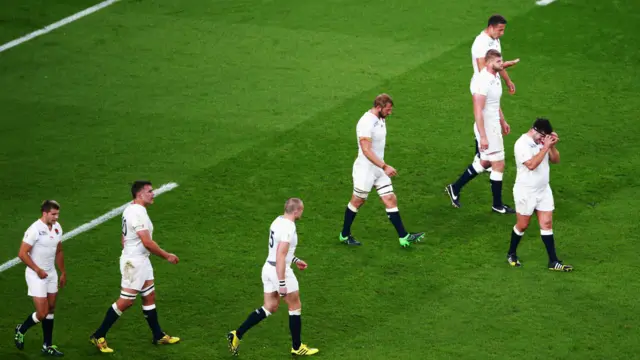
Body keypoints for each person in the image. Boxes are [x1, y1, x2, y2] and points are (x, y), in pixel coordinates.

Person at [89, 180, 180, 353]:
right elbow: (147, 242)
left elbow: (124, 238)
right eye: (150, 191)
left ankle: (158, 335)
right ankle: (98, 335)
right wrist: (167, 255)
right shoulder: (138, 213)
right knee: (127, 301)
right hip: (135, 262)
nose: (153, 194)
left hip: (140, 260)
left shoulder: (131, 209)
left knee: (149, 296)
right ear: (139, 194)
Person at [228, 198, 319, 356]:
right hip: (279, 270)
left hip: (268, 268)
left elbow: (279, 250)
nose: (302, 213)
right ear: (296, 211)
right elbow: (281, 255)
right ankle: (297, 347)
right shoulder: (289, 227)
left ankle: (237, 334)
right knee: (295, 306)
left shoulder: (278, 220)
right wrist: (282, 282)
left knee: (270, 307)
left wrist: (296, 260)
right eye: (302, 210)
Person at [338, 94, 425, 247]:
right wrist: (384, 166)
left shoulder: (380, 119)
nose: (390, 113)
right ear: (379, 107)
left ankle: (403, 237)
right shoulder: (366, 122)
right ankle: (344, 235)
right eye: (388, 110)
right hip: (365, 169)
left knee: (390, 198)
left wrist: (382, 167)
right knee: (358, 201)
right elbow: (366, 149)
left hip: (378, 168)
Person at [445, 50, 515, 214]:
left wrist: (503, 121)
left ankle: (454, 188)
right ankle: (497, 205)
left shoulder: (494, 76)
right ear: (490, 62)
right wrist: (483, 136)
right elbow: (478, 111)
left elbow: (494, 103)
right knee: (499, 163)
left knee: (486, 162)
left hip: (493, 125)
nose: (502, 64)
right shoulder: (483, 82)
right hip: (488, 128)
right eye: (499, 61)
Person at [506, 118, 573, 271]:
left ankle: (553, 261)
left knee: (547, 224)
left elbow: (556, 160)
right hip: (526, 191)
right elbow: (531, 165)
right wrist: (545, 147)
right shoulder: (521, 144)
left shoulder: (543, 142)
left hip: (543, 189)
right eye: (543, 136)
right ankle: (511, 253)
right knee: (523, 225)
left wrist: (552, 147)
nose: (544, 139)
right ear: (535, 130)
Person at [468, 14, 520, 175]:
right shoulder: (480, 43)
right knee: (483, 116)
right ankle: (480, 154)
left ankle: (483, 154)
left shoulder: (495, 40)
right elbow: (484, 68)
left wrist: (507, 80)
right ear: (491, 27)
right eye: (500, 30)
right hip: (481, 86)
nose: (502, 33)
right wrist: (507, 65)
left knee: (491, 115)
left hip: (492, 82)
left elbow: (496, 64)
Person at [14, 200, 66, 356]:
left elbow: (59, 250)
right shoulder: (34, 229)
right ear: (45, 213)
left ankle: (47, 345)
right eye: (53, 214)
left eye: (57, 214)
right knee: (42, 313)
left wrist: (62, 271)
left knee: (51, 309)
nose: (56, 217)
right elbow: (22, 253)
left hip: (51, 273)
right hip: (36, 275)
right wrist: (37, 270)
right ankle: (21, 330)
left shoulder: (57, 227)